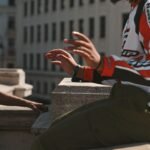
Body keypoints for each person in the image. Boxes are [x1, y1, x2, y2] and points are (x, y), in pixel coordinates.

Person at [31, 0, 150, 149]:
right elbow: (131, 77)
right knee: (55, 127)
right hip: (130, 102)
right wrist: (79, 71)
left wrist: (102, 63)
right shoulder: (137, 9)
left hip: (140, 109)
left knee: (44, 144)